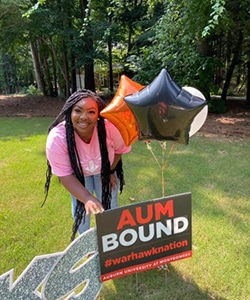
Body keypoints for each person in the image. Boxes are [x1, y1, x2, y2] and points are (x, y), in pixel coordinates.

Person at [43, 89, 131, 241]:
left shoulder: (110, 128)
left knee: (109, 203)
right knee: (82, 207)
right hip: (77, 176)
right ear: (70, 112)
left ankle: (111, 240)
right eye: (78, 110)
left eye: (91, 112)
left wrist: (109, 171)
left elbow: (119, 149)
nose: (84, 117)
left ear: (98, 114)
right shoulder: (57, 138)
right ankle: (86, 243)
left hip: (104, 170)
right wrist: (87, 197)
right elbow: (65, 175)